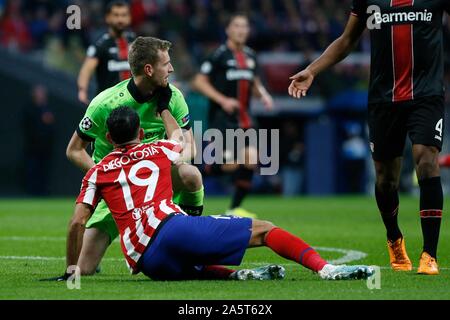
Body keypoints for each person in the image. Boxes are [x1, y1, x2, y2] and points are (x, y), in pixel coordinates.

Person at [61, 106, 374, 281]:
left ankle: (238, 276)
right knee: (265, 230)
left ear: (107, 137)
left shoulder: (97, 171)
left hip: (146, 263)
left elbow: (77, 223)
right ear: (140, 133)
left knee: (191, 265)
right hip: (171, 229)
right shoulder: (155, 149)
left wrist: (72, 269)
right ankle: (328, 270)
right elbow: (180, 140)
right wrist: (164, 110)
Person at [288, 0, 450, 275]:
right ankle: (394, 238)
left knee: (426, 160)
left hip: (427, 95)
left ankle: (429, 254)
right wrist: (312, 70)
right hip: (383, 99)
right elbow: (347, 39)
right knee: (386, 178)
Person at [65, 36, 204, 275]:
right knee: (83, 269)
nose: (171, 68)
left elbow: (190, 147)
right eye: (166, 64)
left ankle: (190, 239)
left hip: (155, 183)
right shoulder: (105, 104)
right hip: (119, 188)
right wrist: (104, 181)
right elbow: (74, 150)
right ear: (149, 69)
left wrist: (174, 159)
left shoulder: (174, 97)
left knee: (190, 174)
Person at [192, 13, 274, 218]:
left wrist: (263, 95)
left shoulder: (250, 56)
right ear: (228, 30)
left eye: (244, 26)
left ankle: (235, 207)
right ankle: (197, 172)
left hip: (245, 119)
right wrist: (223, 100)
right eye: (236, 26)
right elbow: (199, 82)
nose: (241, 30)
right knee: (226, 165)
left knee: (251, 158)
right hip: (223, 120)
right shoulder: (218, 54)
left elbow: (253, 81)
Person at [77, 1, 135, 105]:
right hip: (107, 105)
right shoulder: (101, 44)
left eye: (123, 15)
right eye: (116, 15)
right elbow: (86, 69)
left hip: (132, 104)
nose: (120, 19)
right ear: (108, 17)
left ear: (129, 18)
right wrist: (82, 90)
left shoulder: (135, 42)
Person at [22, 84, 55, 196]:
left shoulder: (48, 109)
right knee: (32, 170)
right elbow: (27, 127)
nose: (41, 96)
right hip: (32, 147)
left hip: (46, 148)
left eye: (42, 94)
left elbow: (52, 127)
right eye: (39, 93)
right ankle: (31, 192)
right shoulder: (29, 109)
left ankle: (43, 192)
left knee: (44, 171)